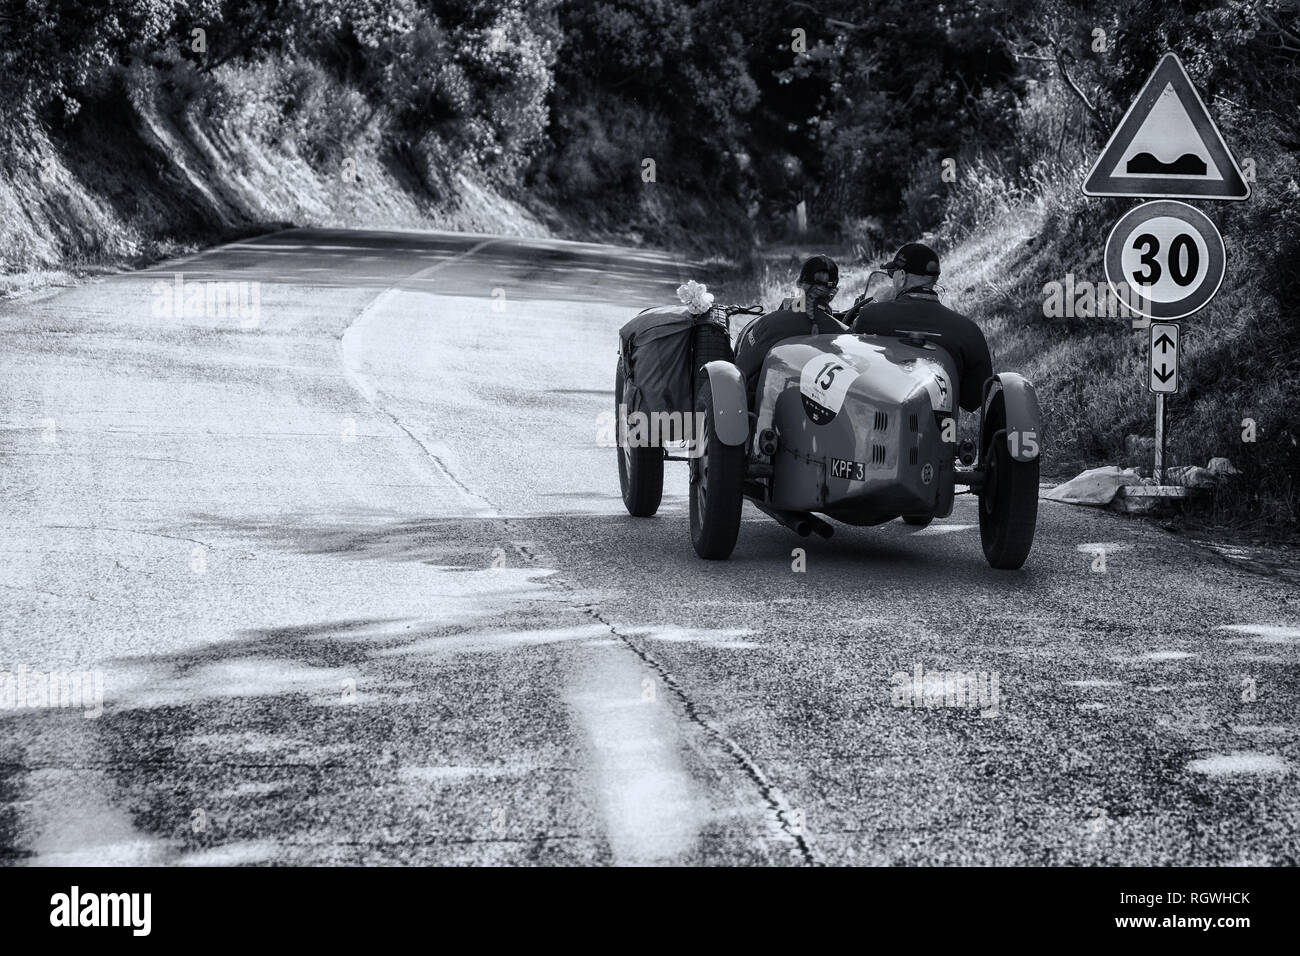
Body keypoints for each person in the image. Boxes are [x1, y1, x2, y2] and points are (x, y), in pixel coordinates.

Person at [850, 243, 993, 413]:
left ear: (902, 276)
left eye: (892, 274)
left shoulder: (872, 315)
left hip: (880, 417)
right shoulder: (969, 330)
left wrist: (875, 303)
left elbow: (851, 354)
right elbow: (974, 399)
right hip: (939, 427)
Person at [734, 255, 847, 399]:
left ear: (799, 284)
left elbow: (738, 376)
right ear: (833, 292)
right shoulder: (841, 333)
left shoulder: (770, 322)